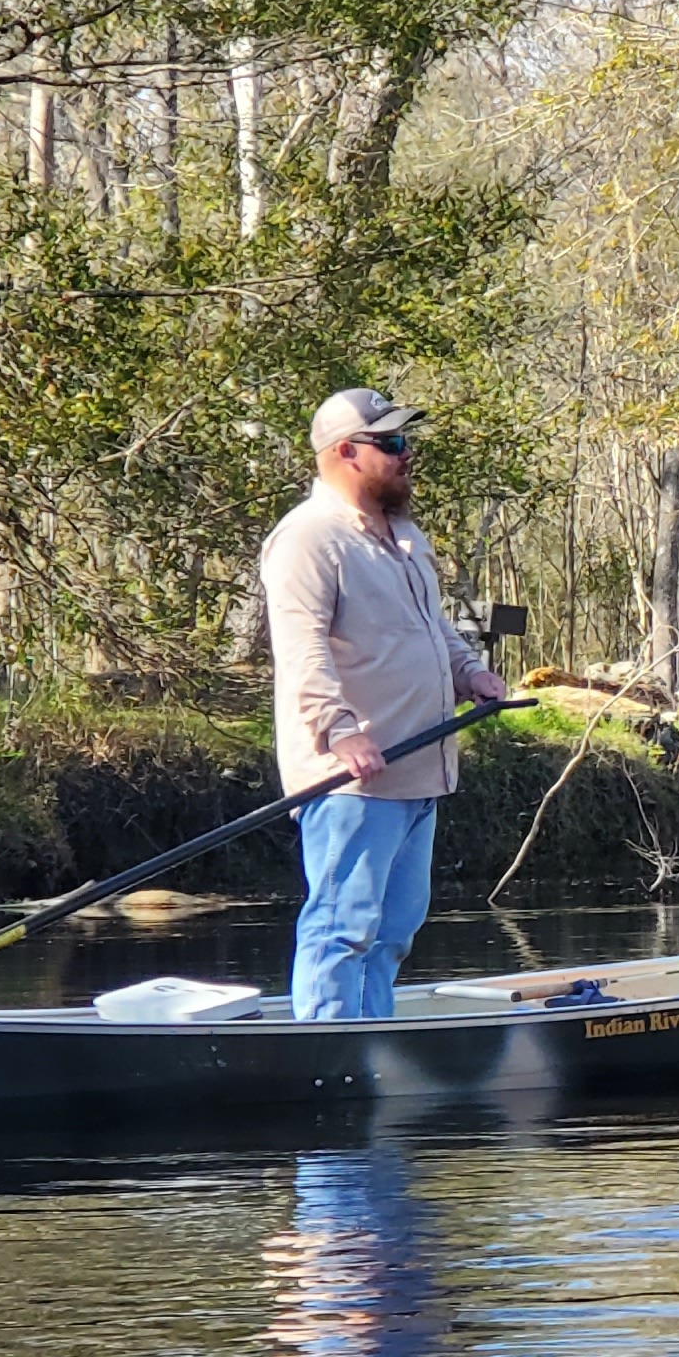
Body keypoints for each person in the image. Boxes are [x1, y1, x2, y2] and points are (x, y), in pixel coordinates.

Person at [246, 387, 509, 1020]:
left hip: (420, 769)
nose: (405, 453)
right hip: (354, 782)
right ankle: (327, 1052)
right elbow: (301, 649)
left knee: (392, 935)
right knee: (343, 927)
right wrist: (340, 734)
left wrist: (470, 673)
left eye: (404, 441)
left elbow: (432, 627)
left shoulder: (404, 536)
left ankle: (372, 1044)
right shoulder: (308, 539)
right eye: (389, 443)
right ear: (345, 453)